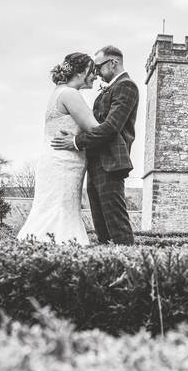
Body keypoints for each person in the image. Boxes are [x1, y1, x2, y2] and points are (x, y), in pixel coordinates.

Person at [50, 45, 138, 245]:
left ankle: (129, 266)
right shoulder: (111, 89)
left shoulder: (127, 86)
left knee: (116, 224)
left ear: (113, 62)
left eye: (98, 67)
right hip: (96, 161)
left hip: (111, 162)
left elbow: (111, 127)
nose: (96, 73)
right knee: (102, 228)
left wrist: (75, 141)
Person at [17, 52, 99, 244]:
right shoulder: (70, 94)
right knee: (60, 213)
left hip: (55, 162)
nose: (95, 76)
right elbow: (96, 129)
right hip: (64, 165)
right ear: (81, 72)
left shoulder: (58, 92)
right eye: (92, 71)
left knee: (50, 210)